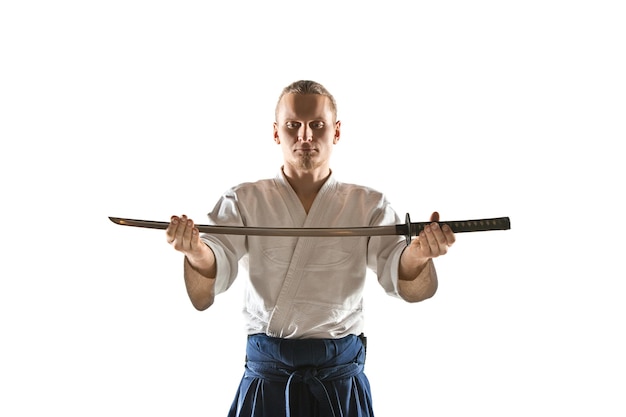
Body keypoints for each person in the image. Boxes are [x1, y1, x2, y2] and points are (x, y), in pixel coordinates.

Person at [165, 80, 456, 417]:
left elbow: (398, 269)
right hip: (269, 380)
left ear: (336, 132)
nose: (305, 136)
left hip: (338, 383)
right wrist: (195, 250)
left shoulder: (368, 204)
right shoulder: (243, 200)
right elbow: (217, 260)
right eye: (294, 126)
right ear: (277, 133)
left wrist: (419, 252)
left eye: (317, 125)